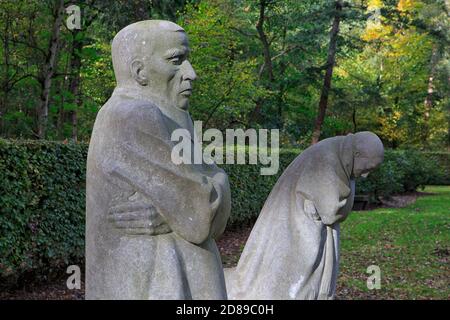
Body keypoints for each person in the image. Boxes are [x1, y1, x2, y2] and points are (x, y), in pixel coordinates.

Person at [86, 20, 231, 300]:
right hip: (156, 285)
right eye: (177, 60)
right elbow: (199, 209)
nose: (191, 73)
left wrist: (176, 210)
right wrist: (186, 207)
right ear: (139, 71)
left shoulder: (172, 116)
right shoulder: (133, 115)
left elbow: (203, 196)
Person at [226, 132, 384, 300]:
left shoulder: (338, 152)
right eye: (367, 168)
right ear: (356, 154)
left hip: (302, 226)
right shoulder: (326, 159)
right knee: (291, 281)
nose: (365, 175)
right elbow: (331, 212)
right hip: (297, 230)